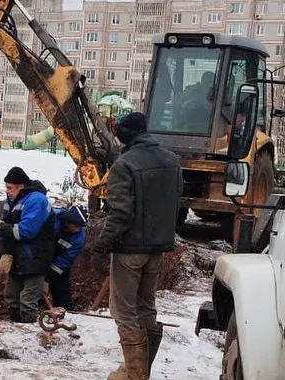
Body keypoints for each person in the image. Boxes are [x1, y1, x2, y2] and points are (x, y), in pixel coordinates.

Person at [93, 112, 183, 380]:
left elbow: (120, 214)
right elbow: (176, 202)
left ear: (125, 134)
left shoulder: (124, 165)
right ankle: (140, 371)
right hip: (157, 249)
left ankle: (135, 376)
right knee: (146, 308)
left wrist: (102, 245)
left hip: (129, 251)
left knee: (123, 311)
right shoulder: (172, 161)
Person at [0, 166, 55, 323]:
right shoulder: (11, 201)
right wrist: (3, 252)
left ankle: (29, 334)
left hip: (35, 258)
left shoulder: (36, 200)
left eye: (10, 188)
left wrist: (1, 228)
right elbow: (4, 229)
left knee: (27, 301)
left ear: (21, 186)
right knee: (11, 297)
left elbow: (26, 232)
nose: (7, 191)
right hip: (18, 257)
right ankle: (15, 329)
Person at [47, 204, 88, 311]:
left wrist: (49, 276)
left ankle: (65, 308)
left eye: (80, 227)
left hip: (59, 260)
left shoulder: (79, 238)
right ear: (67, 221)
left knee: (61, 286)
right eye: (75, 226)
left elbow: (66, 259)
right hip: (41, 255)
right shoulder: (52, 218)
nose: (78, 230)